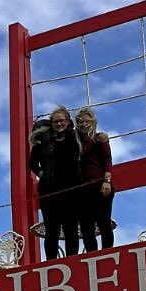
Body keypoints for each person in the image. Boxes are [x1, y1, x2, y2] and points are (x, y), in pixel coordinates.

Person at [29, 105, 95, 259]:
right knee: (51, 229)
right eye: (56, 122)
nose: (59, 124)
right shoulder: (44, 141)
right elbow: (32, 163)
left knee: (71, 227)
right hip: (49, 191)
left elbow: (91, 138)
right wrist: (41, 174)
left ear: (68, 122)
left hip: (72, 190)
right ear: (51, 124)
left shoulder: (75, 137)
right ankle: (50, 263)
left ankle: (72, 260)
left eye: (62, 121)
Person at [75, 106, 114, 248]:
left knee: (103, 222)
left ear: (93, 122)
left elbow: (107, 160)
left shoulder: (100, 139)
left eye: (86, 121)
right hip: (82, 189)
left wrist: (107, 181)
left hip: (99, 185)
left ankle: (108, 252)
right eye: (80, 122)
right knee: (86, 226)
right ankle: (93, 255)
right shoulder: (77, 143)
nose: (83, 124)